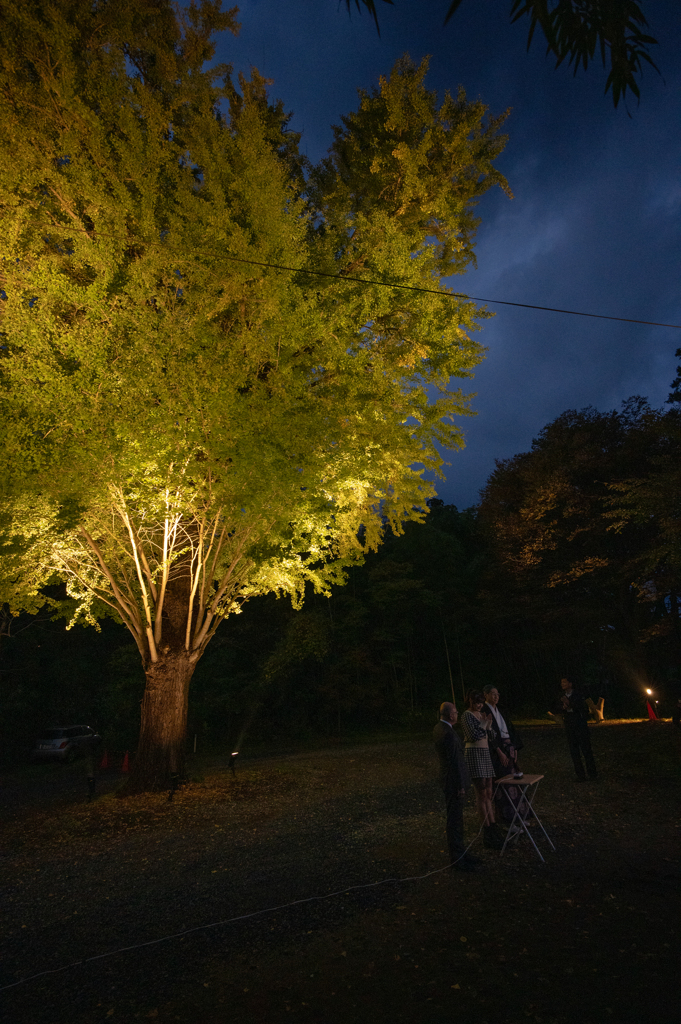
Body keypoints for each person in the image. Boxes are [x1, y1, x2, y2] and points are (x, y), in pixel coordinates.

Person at [433, 702, 482, 872]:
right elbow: (454, 761)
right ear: (450, 715)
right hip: (453, 782)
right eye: (455, 711)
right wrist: (460, 784)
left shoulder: (439, 729)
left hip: (449, 780)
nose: (457, 713)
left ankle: (461, 853)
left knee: (456, 819)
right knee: (455, 820)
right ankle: (457, 858)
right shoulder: (448, 733)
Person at [462, 690, 504, 849]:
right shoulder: (467, 715)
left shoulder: (482, 715)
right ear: (470, 702)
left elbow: (491, 735)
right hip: (474, 753)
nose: (479, 705)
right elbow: (473, 735)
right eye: (476, 702)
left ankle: (493, 825)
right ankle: (487, 830)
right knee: (481, 792)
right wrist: (485, 726)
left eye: (480, 702)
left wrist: (488, 725)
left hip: (485, 752)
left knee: (488, 792)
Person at [558, 677, 598, 781]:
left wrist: (570, 704)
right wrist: (563, 707)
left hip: (580, 726)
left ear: (570, 684)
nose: (562, 684)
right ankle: (580, 775)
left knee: (586, 750)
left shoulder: (578, 695)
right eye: (562, 682)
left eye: (564, 682)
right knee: (574, 751)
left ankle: (592, 773)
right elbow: (558, 708)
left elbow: (582, 709)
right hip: (570, 727)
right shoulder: (561, 696)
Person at [482, 684, 524, 780]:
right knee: (500, 774)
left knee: (512, 774)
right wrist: (499, 751)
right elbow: (487, 733)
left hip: (508, 747)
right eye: (493, 694)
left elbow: (511, 729)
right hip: (496, 748)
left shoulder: (501, 710)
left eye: (497, 694)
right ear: (485, 695)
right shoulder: (483, 711)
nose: (496, 697)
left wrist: (515, 747)